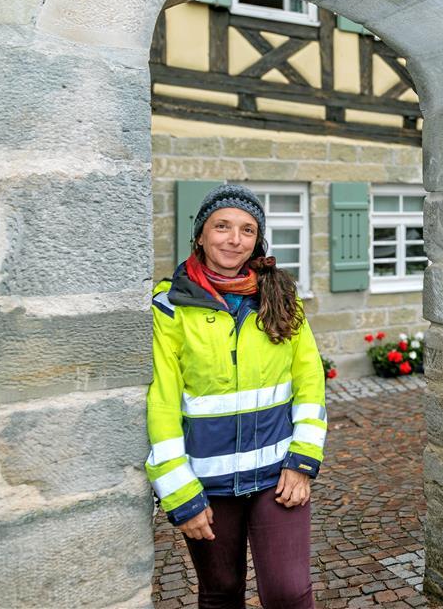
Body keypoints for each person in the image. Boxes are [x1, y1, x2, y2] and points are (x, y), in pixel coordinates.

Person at [145, 185, 326, 609]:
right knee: (221, 591)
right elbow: (162, 402)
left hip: (278, 475)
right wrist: (179, 492)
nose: (234, 239)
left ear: (257, 240)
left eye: (247, 230)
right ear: (201, 236)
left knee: (287, 592)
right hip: (206, 483)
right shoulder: (169, 305)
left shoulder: (280, 297)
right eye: (222, 226)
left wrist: (303, 460)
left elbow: (309, 380)